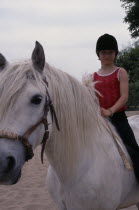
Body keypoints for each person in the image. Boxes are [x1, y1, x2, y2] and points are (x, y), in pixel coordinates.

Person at [93, 33, 139, 182]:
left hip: (118, 120)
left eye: (110, 52)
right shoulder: (92, 77)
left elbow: (124, 96)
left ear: (115, 53)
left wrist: (110, 111)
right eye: (103, 52)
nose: (107, 55)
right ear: (98, 54)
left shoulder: (121, 72)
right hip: (100, 122)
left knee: (134, 150)